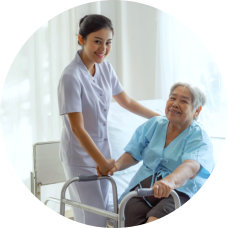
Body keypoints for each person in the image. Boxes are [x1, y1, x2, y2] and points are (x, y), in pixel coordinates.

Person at [57, 14, 159, 227]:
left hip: (103, 151)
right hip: (81, 157)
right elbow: (77, 128)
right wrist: (101, 162)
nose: (103, 48)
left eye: (108, 42)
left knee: (105, 214)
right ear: (81, 39)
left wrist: (161, 118)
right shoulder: (71, 77)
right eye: (97, 41)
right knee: (91, 216)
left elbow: (127, 102)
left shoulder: (105, 67)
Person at [106, 82, 215, 227]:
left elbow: (191, 166)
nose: (175, 104)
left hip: (181, 190)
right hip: (146, 186)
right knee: (127, 214)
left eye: (183, 101)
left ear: (197, 111)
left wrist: (170, 181)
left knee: (155, 220)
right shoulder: (155, 124)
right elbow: (133, 153)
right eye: (172, 98)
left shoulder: (198, 136)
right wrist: (115, 166)